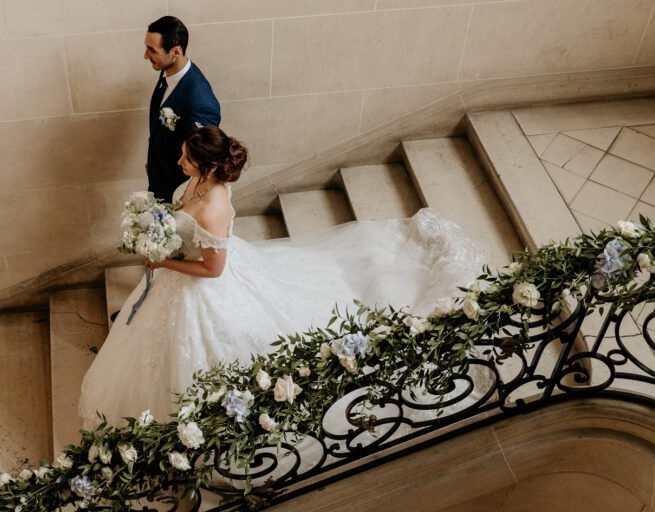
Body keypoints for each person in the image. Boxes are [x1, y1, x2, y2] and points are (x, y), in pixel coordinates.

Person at [78, 127, 488, 427]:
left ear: (207, 164)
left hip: (200, 284)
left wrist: (164, 263)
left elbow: (213, 270)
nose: (179, 162)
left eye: (186, 157)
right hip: (181, 268)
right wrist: (158, 225)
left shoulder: (214, 209)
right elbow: (184, 216)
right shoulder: (200, 181)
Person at [144, 15, 221, 203]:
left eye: (152, 50)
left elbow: (202, 160)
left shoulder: (200, 102)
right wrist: (154, 164)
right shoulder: (168, 70)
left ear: (175, 52)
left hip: (177, 191)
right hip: (159, 176)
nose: (145, 55)